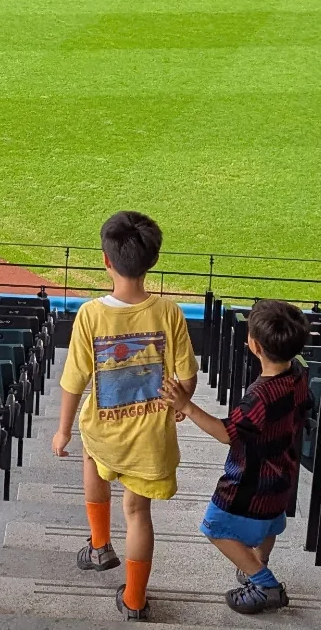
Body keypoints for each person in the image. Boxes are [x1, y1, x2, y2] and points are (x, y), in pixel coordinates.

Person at [53, 211, 199, 620]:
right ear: (152, 260)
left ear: (106, 260)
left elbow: (73, 379)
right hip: (151, 440)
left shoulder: (90, 314)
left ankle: (99, 546)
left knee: (91, 460)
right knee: (138, 513)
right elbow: (188, 375)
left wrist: (63, 430)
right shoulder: (169, 312)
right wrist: (181, 402)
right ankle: (134, 601)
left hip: (104, 434)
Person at [162, 299, 311, 614]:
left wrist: (186, 406)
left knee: (214, 527)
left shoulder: (259, 396)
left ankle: (264, 583)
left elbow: (226, 432)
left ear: (254, 346)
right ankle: (258, 561)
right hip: (283, 475)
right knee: (270, 523)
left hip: (250, 484)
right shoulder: (298, 374)